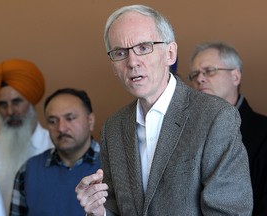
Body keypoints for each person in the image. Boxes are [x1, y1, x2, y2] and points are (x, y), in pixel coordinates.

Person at [75, 4, 253, 216]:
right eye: (120, 53)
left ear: (170, 53)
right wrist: (99, 212)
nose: (132, 62)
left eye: (143, 48)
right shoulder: (113, 128)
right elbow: (116, 208)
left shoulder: (216, 117)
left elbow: (230, 212)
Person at [188, 41, 267, 216]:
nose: (200, 79)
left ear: (235, 76)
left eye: (209, 71)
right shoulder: (185, 133)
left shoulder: (264, 133)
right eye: (194, 74)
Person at [9, 88, 101, 216]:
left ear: (90, 120)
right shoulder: (28, 170)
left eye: (70, 118)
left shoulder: (115, 167)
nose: (61, 128)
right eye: (52, 121)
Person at [0, 59, 53, 214]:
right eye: (3, 104)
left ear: (31, 102)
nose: (10, 111)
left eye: (17, 102)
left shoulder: (53, 146)